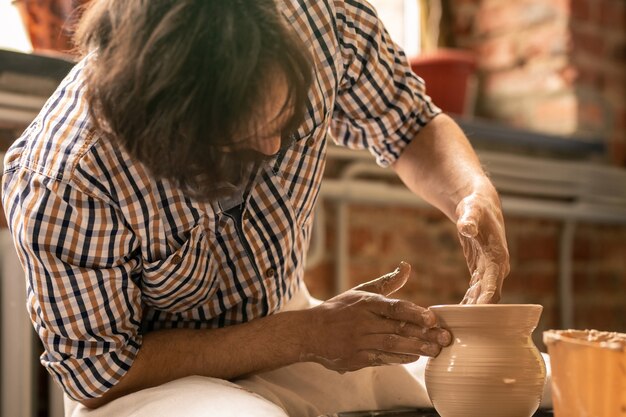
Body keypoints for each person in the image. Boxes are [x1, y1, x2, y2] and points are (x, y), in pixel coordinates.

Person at [2, 0, 511, 416]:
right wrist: (306, 337)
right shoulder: (67, 182)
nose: (272, 147)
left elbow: (408, 120)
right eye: (244, 137)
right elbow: (101, 374)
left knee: (470, 389)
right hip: (153, 377)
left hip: (284, 318)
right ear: (167, 132)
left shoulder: (317, 18)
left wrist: (471, 190)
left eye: (285, 119)